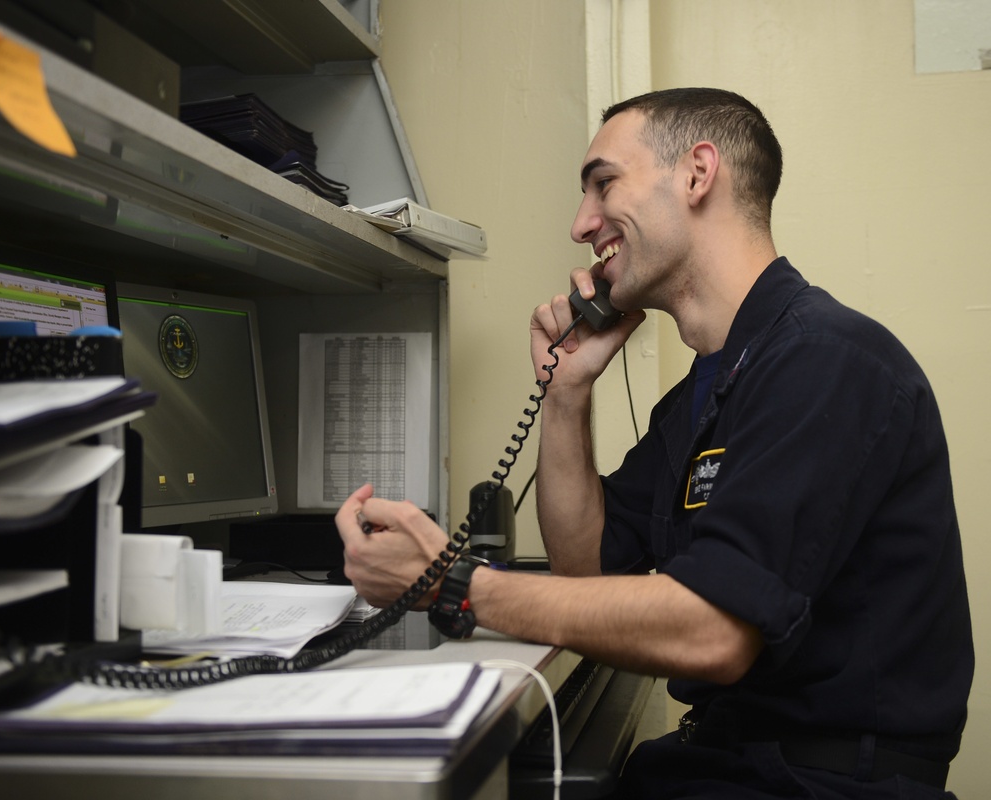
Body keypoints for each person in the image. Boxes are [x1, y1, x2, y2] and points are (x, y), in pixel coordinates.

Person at [336, 88, 973, 799]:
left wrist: (457, 585)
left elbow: (712, 634)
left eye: (604, 183)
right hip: (726, 765)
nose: (581, 225)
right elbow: (585, 570)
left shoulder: (825, 362)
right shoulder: (714, 388)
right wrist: (567, 393)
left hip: (816, 785)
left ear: (698, 174)